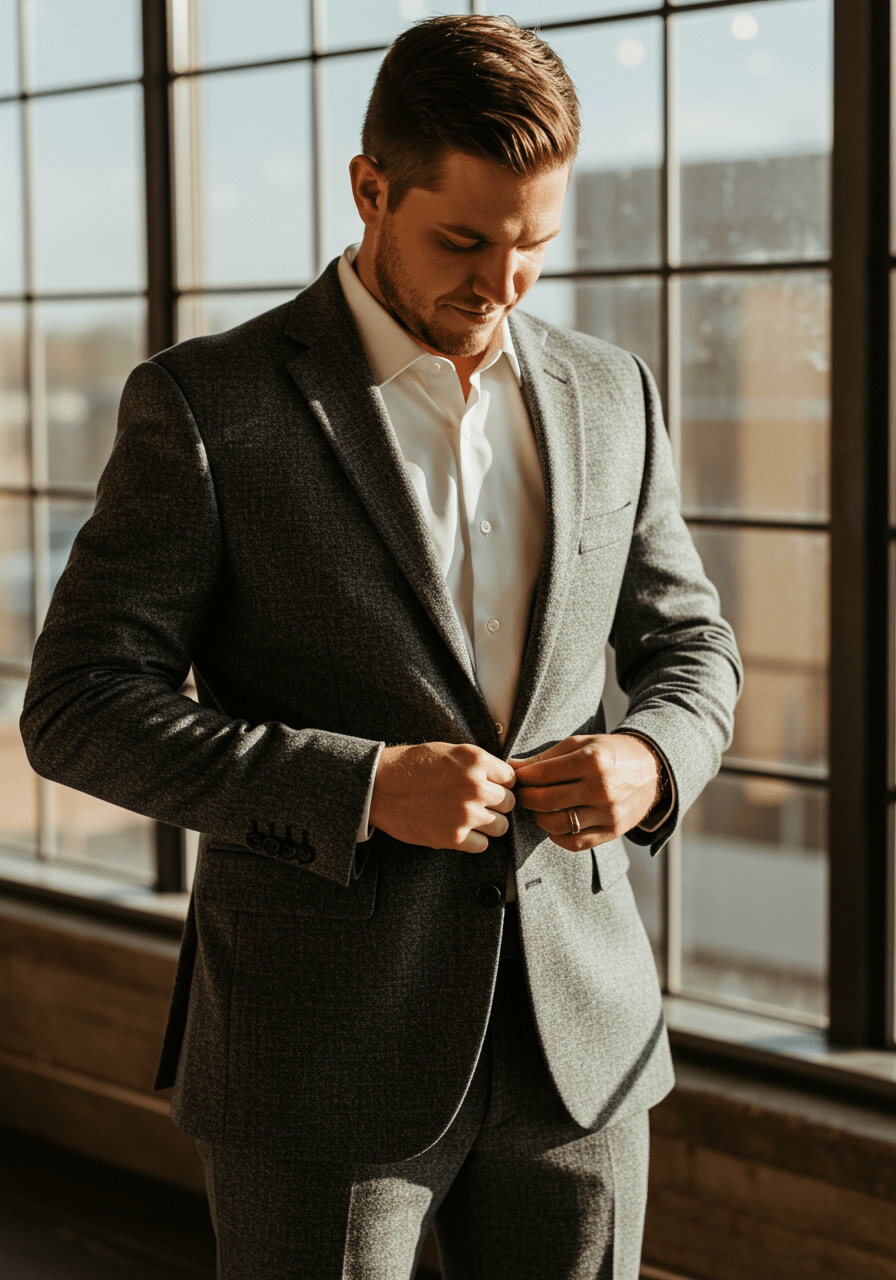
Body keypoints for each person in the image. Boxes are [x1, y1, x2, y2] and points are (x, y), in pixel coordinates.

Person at [21, 14, 741, 1280]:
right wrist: (356, 787)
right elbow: (78, 703)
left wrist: (651, 763)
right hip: (317, 1053)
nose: (501, 284)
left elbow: (691, 643)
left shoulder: (613, 389)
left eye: (533, 247)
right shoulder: (206, 406)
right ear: (369, 188)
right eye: (462, 239)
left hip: (580, 1044)